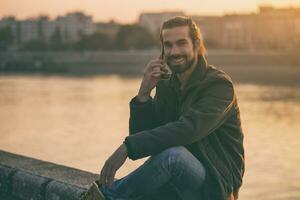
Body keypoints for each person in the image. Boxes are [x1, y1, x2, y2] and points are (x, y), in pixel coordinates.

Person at [81, 16, 245, 200]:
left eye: (181, 43)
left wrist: (127, 147)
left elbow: (189, 129)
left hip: (216, 186)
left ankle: (105, 197)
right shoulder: (167, 85)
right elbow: (148, 136)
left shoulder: (219, 86)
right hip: (177, 182)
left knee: (173, 156)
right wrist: (143, 95)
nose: (174, 51)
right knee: (170, 157)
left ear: (196, 45)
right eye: (168, 45)